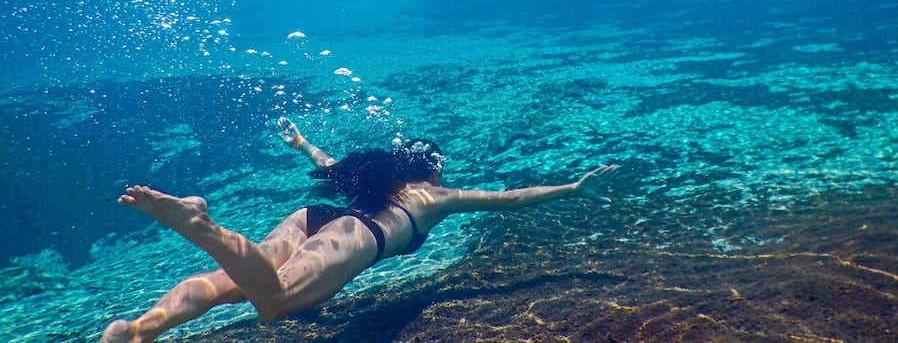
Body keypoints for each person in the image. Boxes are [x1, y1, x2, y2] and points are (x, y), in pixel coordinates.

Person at [100, 118, 620, 343]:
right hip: (355, 235)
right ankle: (202, 225)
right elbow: (510, 199)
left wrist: (301, 143)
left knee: (229, 286)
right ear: (434, 170)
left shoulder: (377, 178)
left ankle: (140, 331)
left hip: (315, 219)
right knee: (275, 302)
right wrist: (574, 188)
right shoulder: (435, 197)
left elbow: (326, 163)